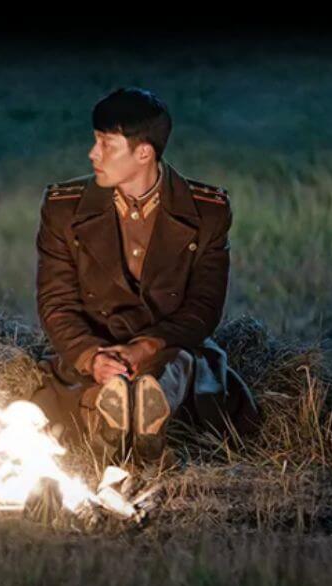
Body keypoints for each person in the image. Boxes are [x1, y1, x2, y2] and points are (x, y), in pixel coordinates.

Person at [30, 87, 261, 466]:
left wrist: (148, 346)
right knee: (83, 383)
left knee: (180, 367)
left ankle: (152, 407)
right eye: (95, 141)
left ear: (144, 153)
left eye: (106, 144)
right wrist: (91, 356)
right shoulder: (64, 209)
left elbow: (203, 307)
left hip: (169, 344)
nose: (93, 154)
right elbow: (56, 302)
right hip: (95, 344)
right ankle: (111, 410)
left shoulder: (207, 212)